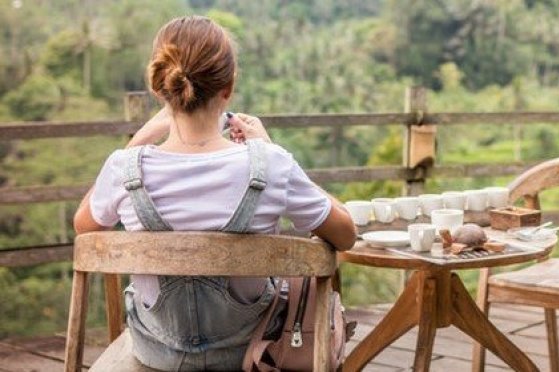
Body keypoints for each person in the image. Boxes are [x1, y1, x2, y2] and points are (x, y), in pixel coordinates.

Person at [73, 15, 356, 371]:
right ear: (229, 87)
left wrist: (141, 137)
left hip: (155, 352)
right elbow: (345, 234)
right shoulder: (271, 165)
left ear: (159, 88)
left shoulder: (123, 169)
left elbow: (84, 227)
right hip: (251, 350)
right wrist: (272, 150)